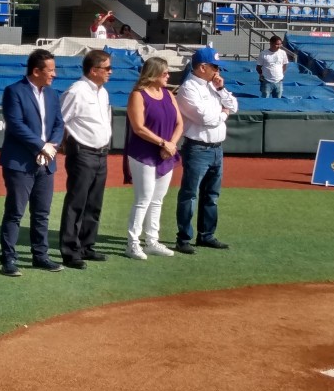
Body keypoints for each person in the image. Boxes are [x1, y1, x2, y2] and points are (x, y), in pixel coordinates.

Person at [0, 49, 65, 276]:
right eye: (51, 70)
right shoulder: (14, 91)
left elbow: (59, 124)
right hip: (19, 162)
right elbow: (16, 124)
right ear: (36, 71)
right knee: (15, 212)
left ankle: (40, 255)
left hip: (47, 162)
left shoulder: (53, 94)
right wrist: (40, 146)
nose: (54, 74)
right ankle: (8, 259)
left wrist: (51, 146)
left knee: (42, 213)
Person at [175, 47, 238, 255]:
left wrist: (221, 91)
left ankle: (206, 235)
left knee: (211, 195)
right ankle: (183, 238)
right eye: (215, 67)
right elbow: (205, 118)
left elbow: (234, 106)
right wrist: (223, 115)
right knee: (190, 195)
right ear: (203, 67)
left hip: (216, 149)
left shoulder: (214, 86)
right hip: (197, 148)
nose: (218, 71)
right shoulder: (188, 88)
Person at [58, 50, 113, 269]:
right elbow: (60, 119)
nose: (110, 72)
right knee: (76, 203)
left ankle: (86, 245)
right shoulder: (76, 91)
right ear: (93, 70)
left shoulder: (103, 92)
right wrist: (62, 145)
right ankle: (70, 252)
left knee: (94, 203)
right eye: (107, 68)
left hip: (101, 153)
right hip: (82, 153)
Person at [125, 57, 183, 260]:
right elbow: (138, 127)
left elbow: (179, 123)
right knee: (143, 198)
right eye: (165, 73)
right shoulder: (138, 95)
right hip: (144, 154)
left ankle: (152, 240)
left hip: (166, 153)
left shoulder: (168, 94)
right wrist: (163, 143)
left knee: (158, 199)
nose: (168, 76)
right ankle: (133, 243)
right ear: (154, 74)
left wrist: (171, 145)